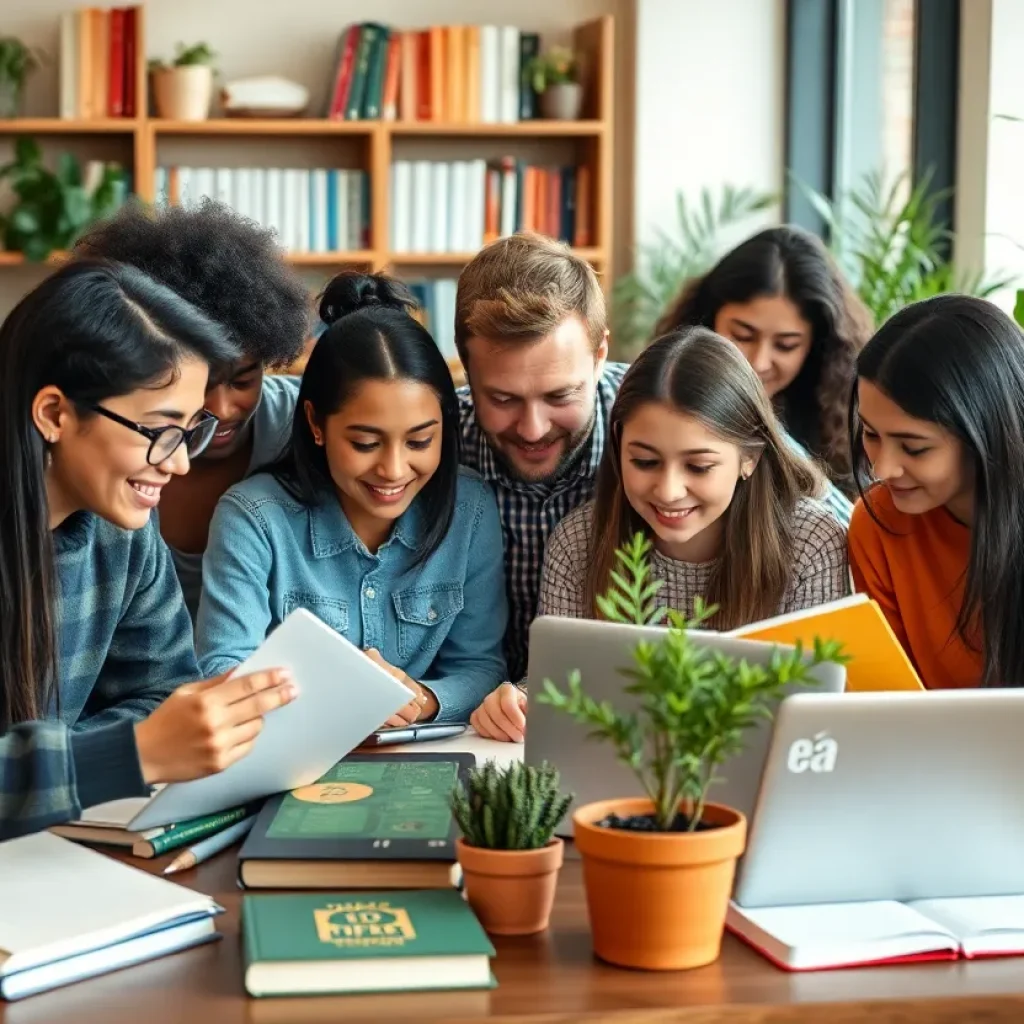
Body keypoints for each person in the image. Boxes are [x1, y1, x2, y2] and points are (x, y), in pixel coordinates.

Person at [0, 261, 295, 842]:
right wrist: (126, 755)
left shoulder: (125, 533)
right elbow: (145, 736)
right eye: (161, 430)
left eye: (190, 432)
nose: (180, 462)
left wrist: (133, 747)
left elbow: (158, 694)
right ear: (55, 414)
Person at [472, 327, 850, 742]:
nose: (669, 490)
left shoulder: (811, 542)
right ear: (618, 448)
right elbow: (559, 686)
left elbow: (818, 711)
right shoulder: (580, 541)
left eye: (699, 466)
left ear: (749, 458)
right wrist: (518, 702)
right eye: (645, 462)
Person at [196, 272, 508, 726]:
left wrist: (423, 699)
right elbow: (224, 675)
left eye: (420, 442)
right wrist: (341, 698)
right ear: (316, 424)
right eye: (365, 444)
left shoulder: (471, 509)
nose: (394, 470)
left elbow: (480, 667)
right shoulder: (253, 520)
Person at [73, 199, 312, 620]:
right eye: (200, 386)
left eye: (243, 380)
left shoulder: (304, 425)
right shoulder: (107, 446)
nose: (221, 408)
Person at [455, 233, 627, 691]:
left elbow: (812, 502)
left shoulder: (666, 421)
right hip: (461, 716)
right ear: (466, 371)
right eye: (503, 398)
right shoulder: (425, 444)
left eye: (559, 395)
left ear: (599, 356)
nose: (532, 429)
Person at [848, 294, 1024, 689]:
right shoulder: (879, 524)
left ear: (988, 432)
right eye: (871, 435)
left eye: (914, 447)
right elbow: (892, 699)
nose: (882, 468)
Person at [655, 225, 872, 502]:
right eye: (743, 335)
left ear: (817, 345)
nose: (758, 362)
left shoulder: (843, 420)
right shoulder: (665, 391)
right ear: (708, 319)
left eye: (786, 345)